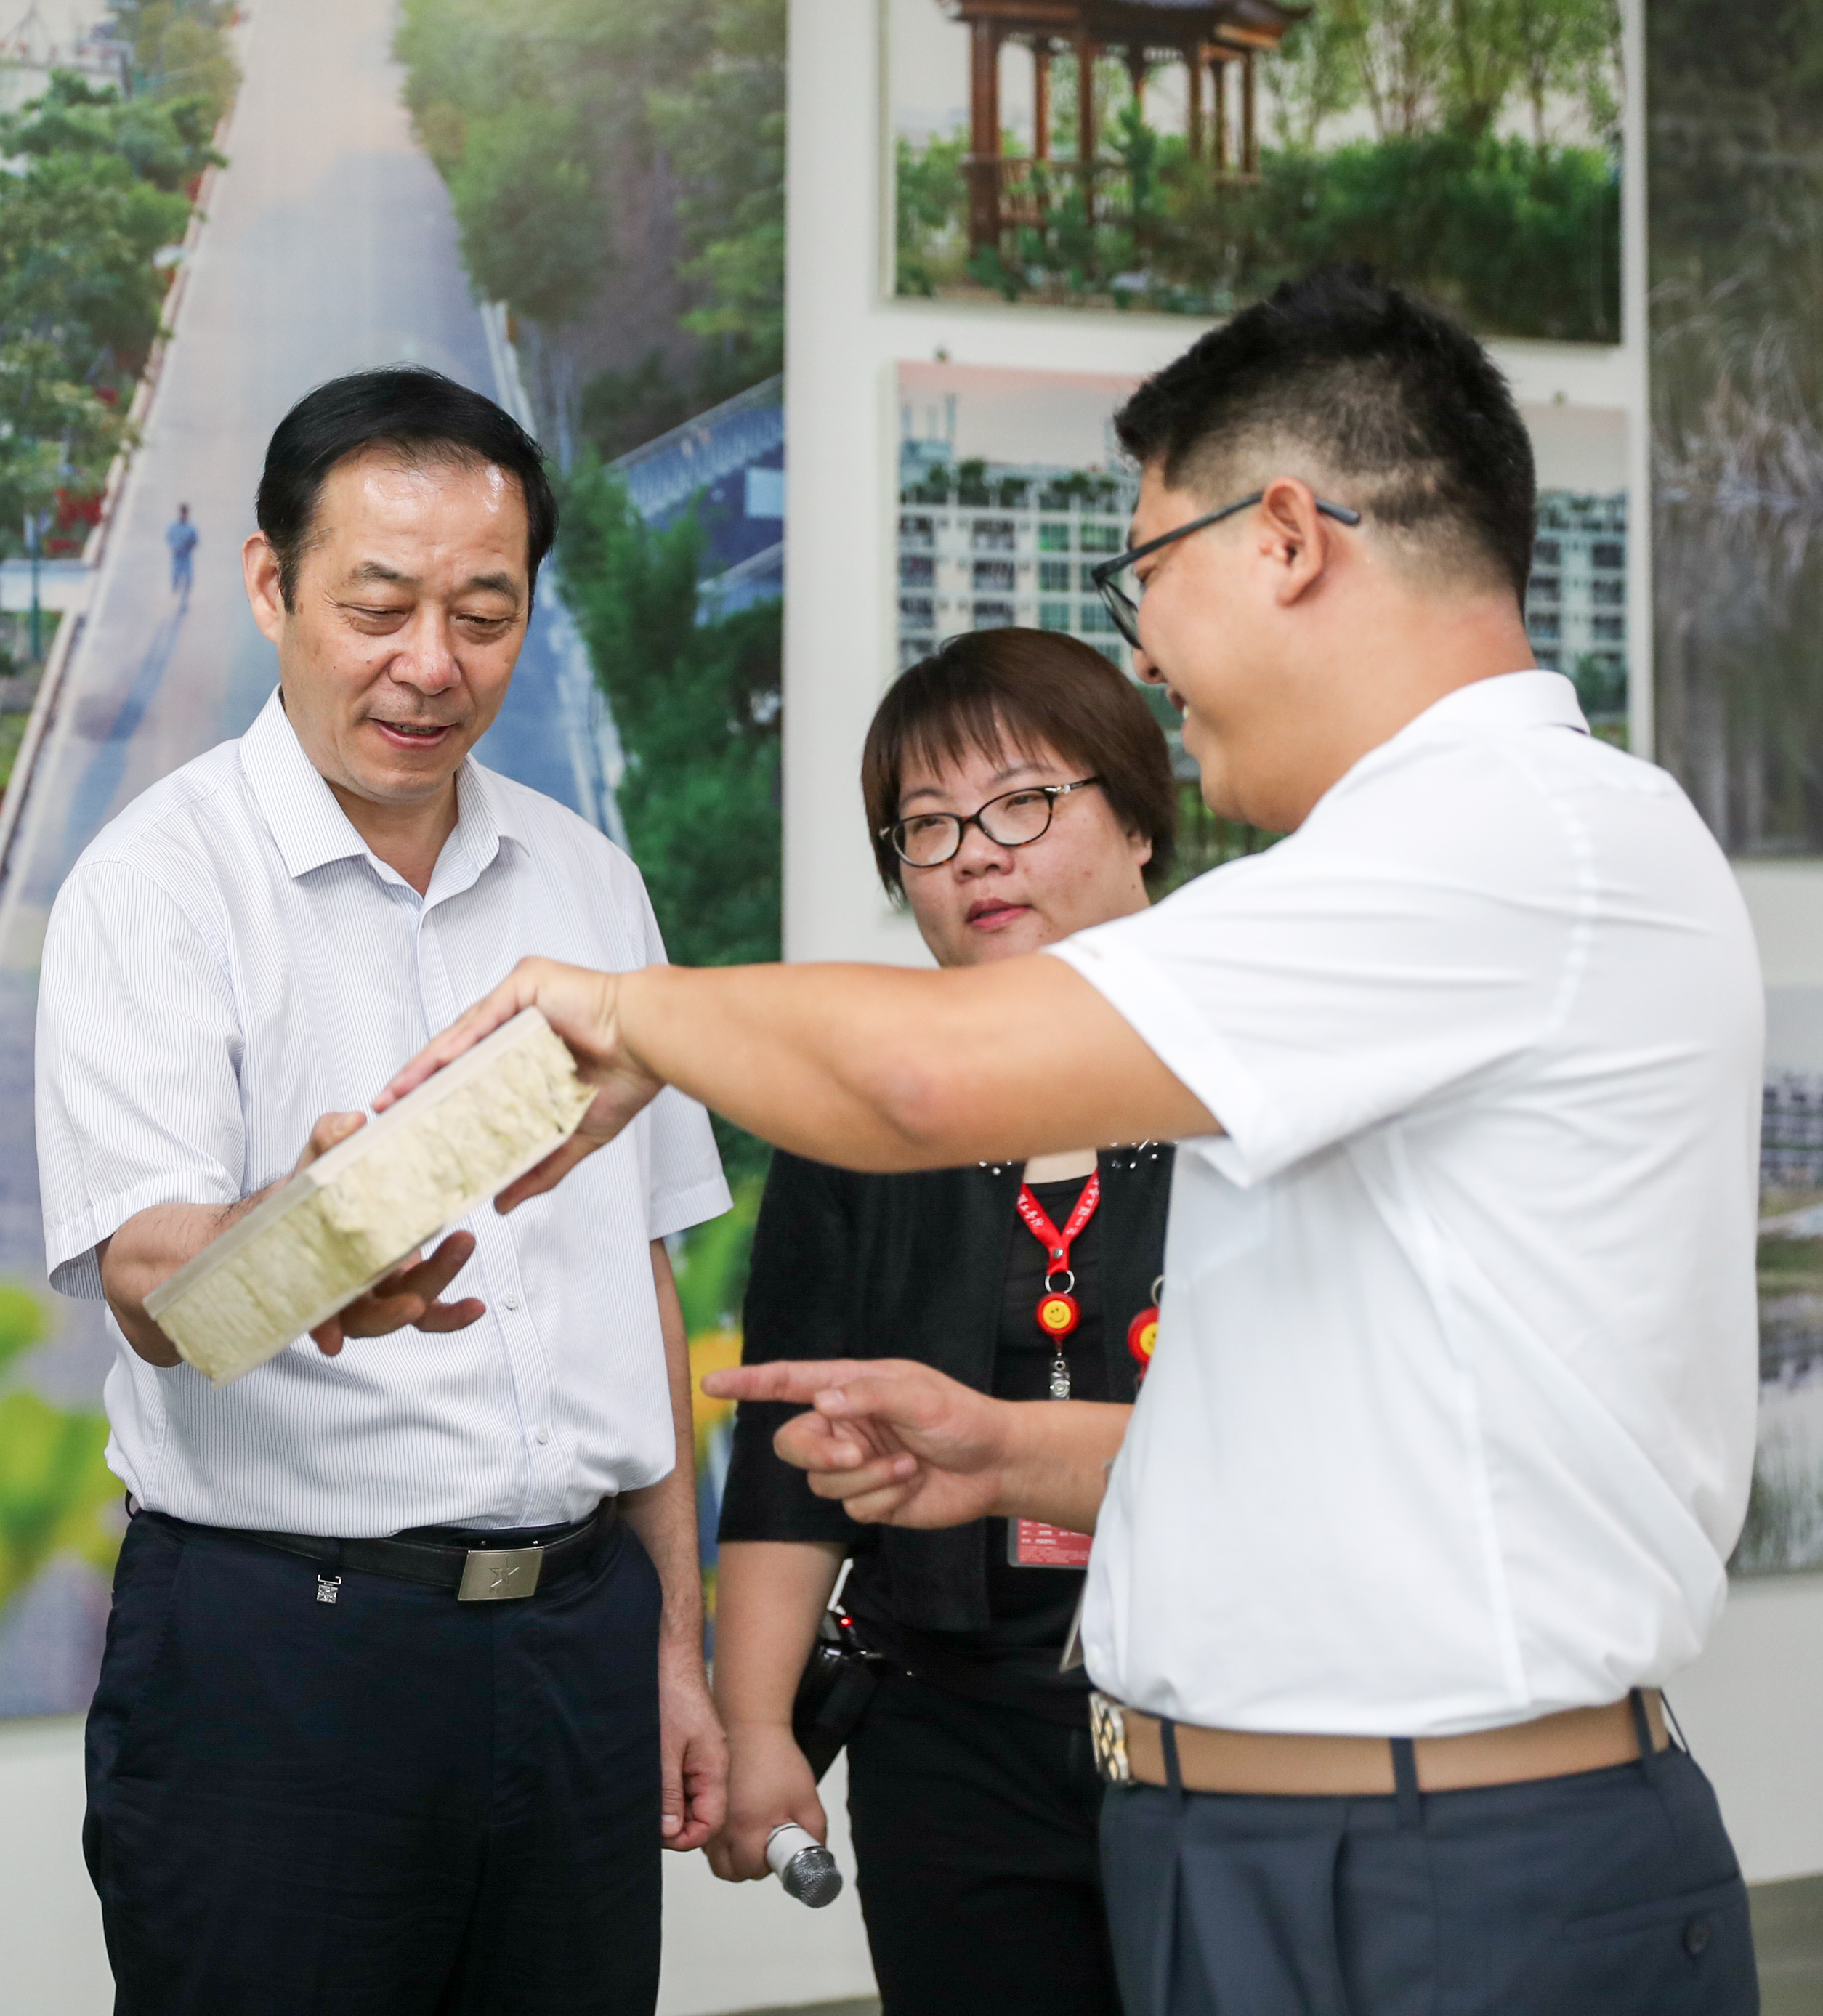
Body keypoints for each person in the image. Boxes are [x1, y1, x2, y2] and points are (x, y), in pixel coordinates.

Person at [391, 265, 1761, 2016]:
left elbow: (926, 1079)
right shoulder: (1442, 859)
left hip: (1435, 1871)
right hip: (1292, 1847)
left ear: (1284, 538)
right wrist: (1003, 1452)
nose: (1142, 651)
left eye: (1144, 573)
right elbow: (1380, 1435)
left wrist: (621, 1013)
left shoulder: (1496, 843)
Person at [38, 365, 732, 2016]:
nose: (431, 664)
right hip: (285, 1661)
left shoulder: (587, 878)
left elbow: (637, 1276)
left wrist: (673, 1651)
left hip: (576, 1641)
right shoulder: (158, 883)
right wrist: (301, 1244)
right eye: (377, 607)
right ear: (271, 586)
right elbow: (148, 1285)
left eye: (483, 615)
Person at [710, 630, 1174, 2016]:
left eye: (1021, 803)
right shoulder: (854, 1116)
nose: (975, 856)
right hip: (946, 1730)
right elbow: (789, 1459)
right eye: (927, 828)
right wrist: (755, 1725)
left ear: (1138, 818)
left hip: (1224, 1718)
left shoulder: (1253, 1083)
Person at [166, 500, 197, 597]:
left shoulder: (191, 528)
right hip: (177, 556)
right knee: (176, 577)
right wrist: (174, 546)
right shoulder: (173, 527)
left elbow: (195, 541)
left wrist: (190, 544)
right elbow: (168, 538)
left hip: (186, 556)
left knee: (188, 578)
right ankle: (174, 591)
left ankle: (185, 597)